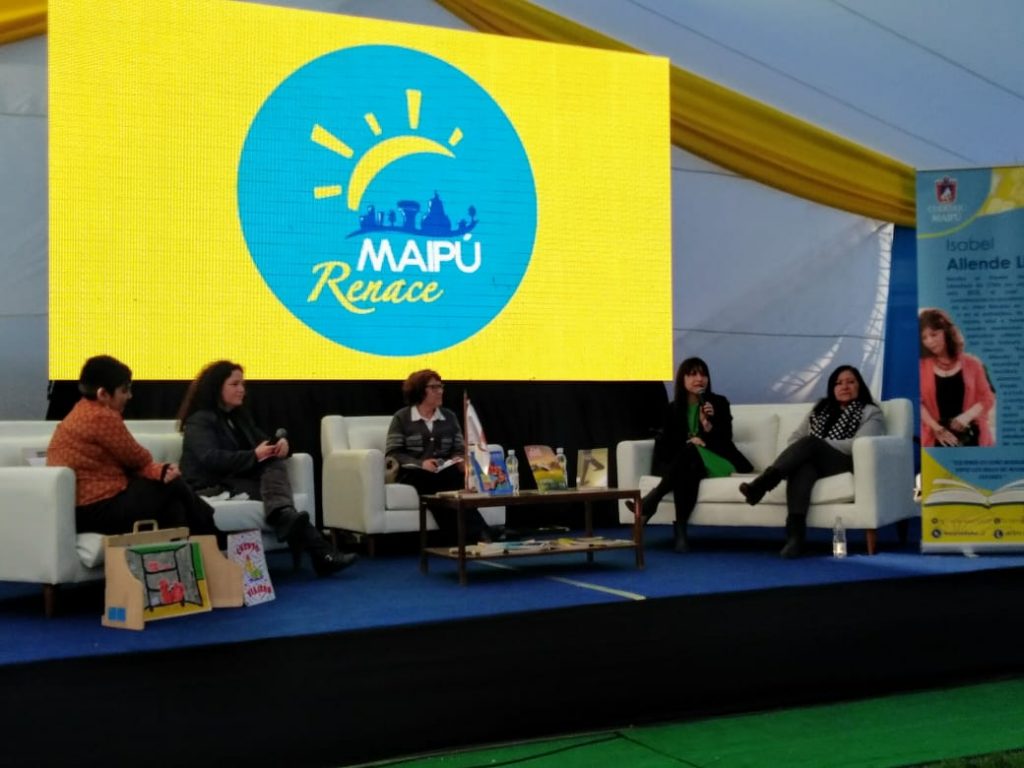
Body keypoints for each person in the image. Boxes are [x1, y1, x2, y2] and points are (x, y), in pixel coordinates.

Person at [177, 361, 356, 577]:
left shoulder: (238, 417)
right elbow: (211, 459)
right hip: (209, 485)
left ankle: (287, 518)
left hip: (235, 481)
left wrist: (282, 447)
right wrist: (255, 455)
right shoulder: (199, 420)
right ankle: (317, 548)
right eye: (234, 384)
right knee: (278, 495)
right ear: (216, 387)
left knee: (273, 462)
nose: (241, 389)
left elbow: (263, 443)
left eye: (242, 384)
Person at [47, 355, 222, 542]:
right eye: (124, 390)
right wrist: (158, 471)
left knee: (173, 507)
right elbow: (137, 457)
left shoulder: (81, 411)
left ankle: (195, 550)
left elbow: (131, 463)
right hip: (97, 509)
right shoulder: (101, 417)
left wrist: (157, 471)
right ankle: (217, 536)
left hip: (84, 510)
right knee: (172, 484)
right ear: (103, 394)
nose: (129, 396)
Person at [739, 365, 883, 558]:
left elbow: (858, 444)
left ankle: (763, 483)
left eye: (850, 382)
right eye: (838, 383)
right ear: (832, 388)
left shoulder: (870, 411)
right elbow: (794, 439)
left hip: (846, 462)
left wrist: (820, 445)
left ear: (860, 386)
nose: (844, 386)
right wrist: (811, 449)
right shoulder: (820, 410)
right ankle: (795, 539)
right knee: (804, 467)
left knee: (811, 443)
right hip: (816, 461)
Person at [627, 357, 752, 553]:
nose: (699, 379)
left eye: (703, 374)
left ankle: (653, 500)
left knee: (689, 456)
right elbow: (667, 444)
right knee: (688, 467)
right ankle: (680, 533)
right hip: (689, 462)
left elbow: (726, 440)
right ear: (682, 379)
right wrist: (690, 443)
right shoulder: (672, 409)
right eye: (693, 374)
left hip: (719, 460)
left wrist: (707, 426)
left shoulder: (718, 403)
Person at [386, 369, 494, 543]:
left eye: (441, 386)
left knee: (452, 479)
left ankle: (467, 537)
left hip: (444, 470)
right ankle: (480, 534)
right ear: (420, 391)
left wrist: (460, 461)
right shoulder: (402, 418)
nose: (440, 391)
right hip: (413, 473)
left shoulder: (449, 416)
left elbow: (458, 448)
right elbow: (393, 453)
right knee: (434, 481)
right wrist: (421, 464)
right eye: (434, 387)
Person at [919, 308, 995, 447]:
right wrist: (937, 428)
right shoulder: (920, 367)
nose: (929, 341)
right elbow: (918, 402)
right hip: (936, 437)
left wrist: (966, 417)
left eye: (934, 334)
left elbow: (987, 397)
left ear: (947, 332)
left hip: (972, 436)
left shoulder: (973, 363)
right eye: (924, 337)